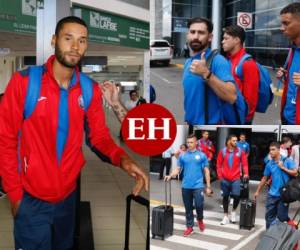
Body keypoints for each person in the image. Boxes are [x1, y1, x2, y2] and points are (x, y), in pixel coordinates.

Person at [0, 16, 149, 250]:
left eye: (82, 41)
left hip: (67, 200)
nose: (75, 46)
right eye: (68, 38)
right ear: (54, 40)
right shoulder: (24, 83)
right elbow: (5, 141)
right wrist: (15, 195)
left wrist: (124, 160)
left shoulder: (88, 89)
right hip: (30, 200)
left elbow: (98, 137)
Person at [182, 17, 237, 125]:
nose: (196, 36)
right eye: (192, 32)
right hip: (190, 124)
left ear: (210, 37)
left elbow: (232, 97)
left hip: (209, 127)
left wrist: (206, 73)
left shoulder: (218, 60)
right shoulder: (188, 62)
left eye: (201, 33)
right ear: (187, 35)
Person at [165, 134, 212, 236]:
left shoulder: (202, 155)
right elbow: (178, 169)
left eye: (191, 142)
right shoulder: (183, 156)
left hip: (198, 186)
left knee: (199, 205)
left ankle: (200, 219)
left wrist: (208, 186)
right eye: (188, 142)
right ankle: (190, 227)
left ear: (196, 143)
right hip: (186, 186)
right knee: (188, 208)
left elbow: (206, 171)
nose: (189, 144)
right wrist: (170, 175)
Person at [254, 142, 297, 229]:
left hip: (284, 195)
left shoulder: (287, 160)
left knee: (282, 217)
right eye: (270, 150)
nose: (271, 152)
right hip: (272, 194)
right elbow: (264, 178)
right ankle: (269, 236)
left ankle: (290, 226)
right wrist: (257, 191)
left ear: (278, 150)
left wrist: (283, 168)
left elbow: (295, 173)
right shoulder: (269, 164)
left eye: (273, 149)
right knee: (269, 217)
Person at [222, 25, 260, 124]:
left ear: (236, 40)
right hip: (228, 114)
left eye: (226, 38)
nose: (223, 41)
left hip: (240, 118)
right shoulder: (229, 59)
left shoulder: (247, 63)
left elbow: (251, 100)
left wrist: (245, 120)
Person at [217, 135, 249, 225]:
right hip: (225, 179)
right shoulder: (222, 152)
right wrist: (220, 177)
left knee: (237, 196)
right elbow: (218, 165)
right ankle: (225, 216)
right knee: (225, 197)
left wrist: (246, 173)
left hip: (236, 178)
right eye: (234, 140)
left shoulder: (240, 151)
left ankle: (233, 211)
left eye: (236, 140)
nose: (236, 142)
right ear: (228, 141)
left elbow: (245, 164)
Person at [277, 3, 300, 124]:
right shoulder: (292, 49)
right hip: (287, 119)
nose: (281, 28)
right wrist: (286, 76)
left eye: (286, 23)